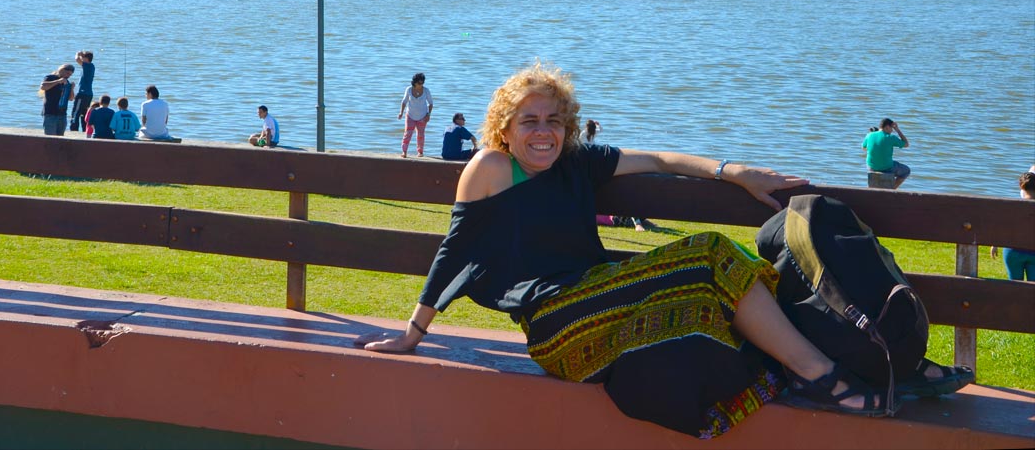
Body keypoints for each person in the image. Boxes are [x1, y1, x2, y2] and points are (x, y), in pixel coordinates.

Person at [356, 62, 893, 437]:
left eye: (553, 121)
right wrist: (413, 331)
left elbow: (660, 160)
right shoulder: (492, 167)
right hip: (557, 326)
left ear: (567, 125)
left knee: (720, 289)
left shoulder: (579, 162)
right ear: (505, 127)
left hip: (604, 308)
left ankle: (844, 361)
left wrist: (733, 172)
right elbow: (456, 248)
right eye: (529, 122)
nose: (543, 133)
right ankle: (820, 374)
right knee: (710, 253)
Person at [584, 119, 643, 231]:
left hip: (590, 159)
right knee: (631, 207)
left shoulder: (584, 135)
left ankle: (638, 222)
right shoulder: (590, 135)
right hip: (614, 217)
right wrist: (599, 125)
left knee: (632, 209)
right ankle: (638, 223)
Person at [990, 167, 1035, 280]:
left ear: (1021, 187)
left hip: (1013, 252)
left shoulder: (1012, 207)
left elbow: (1002, 226)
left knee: (1014, 286)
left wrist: (994, 244)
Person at [862, 117, 911, 188]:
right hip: (887, 167)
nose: (892, 131)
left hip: (871, 167)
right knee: (906, 171)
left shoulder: (869, 135)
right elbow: (906, 144)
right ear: (887, 127)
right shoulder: (891, 137)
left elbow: (864, 148)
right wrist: (898, 130)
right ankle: (892, 189)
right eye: (892, 128)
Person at [398, 72, 433, 158]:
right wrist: (401, 112)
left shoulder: (426, 91)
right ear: (414, 82)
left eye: (422, 83)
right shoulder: (409, 89)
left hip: (422, 116)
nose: (421, 85)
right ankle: (404, 151)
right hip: (410, 116)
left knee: (420, 135)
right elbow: (404, 102)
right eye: (419, 83)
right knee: (407, 134)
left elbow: (431, 103)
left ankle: (420, 152)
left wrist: (428, 114)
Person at [38, 63, 74, 136]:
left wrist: (72, 89)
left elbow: (71, 98)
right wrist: (57, 81)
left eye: (70, 75)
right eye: (67, 73)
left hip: (62, 114)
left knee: (60, 139)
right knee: (51, 138)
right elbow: (43, 86)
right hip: (50, 113)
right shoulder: (51, 77)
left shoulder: (67, 82)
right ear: (61, 70)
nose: (68, 76)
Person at [69, 51, 95, 132]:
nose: (82, 59)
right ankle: (84, 130)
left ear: (86, 58)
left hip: (83, 93)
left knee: (76, 112)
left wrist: (78, 53)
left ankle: (74, 129)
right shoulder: (91, 66)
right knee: (84, 113)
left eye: (83, 57)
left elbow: (77, 59)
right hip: (88, 94)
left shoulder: (87, 65)